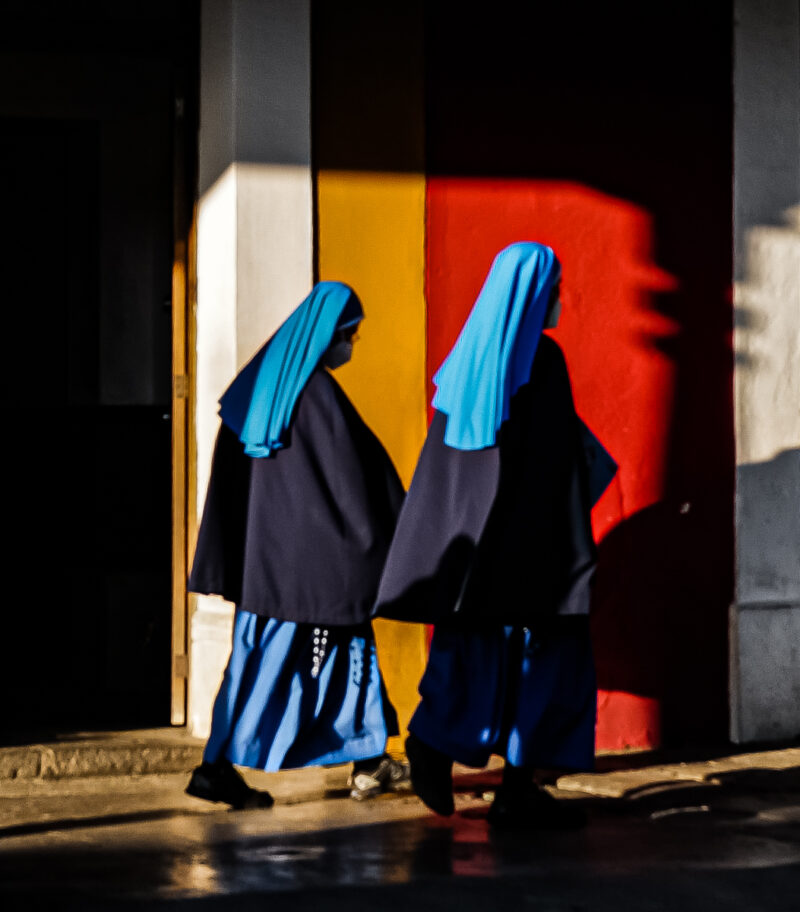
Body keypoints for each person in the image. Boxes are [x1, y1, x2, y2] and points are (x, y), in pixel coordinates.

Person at [375, 242, 616, 829]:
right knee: (545, 665)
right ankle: (517, 784)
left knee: (479, 658)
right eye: (555, 288)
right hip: (539, 555)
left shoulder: (468, 367)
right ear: (536, 294)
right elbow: (560, 466)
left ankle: (437, 745)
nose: (561, 298)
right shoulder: (546, 362)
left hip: (481, 563)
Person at [186, 281, 409, 809]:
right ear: (327, 335)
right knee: (337, 660)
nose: (351, 345)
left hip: (266, 572)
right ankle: (225, 766)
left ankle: (363, 759)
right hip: (318, 573)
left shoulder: (257, 390)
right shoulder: (318, 395)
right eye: (349, 334)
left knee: (255, 665)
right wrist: (392, 533)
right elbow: (356, 479)